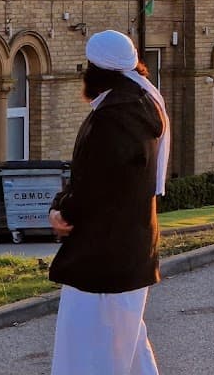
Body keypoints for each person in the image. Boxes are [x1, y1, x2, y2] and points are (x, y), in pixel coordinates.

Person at [48, 29, 170, 375]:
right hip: (128, 250)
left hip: (103, 256)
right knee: (127, 345)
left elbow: (93, 183)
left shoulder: (113, 117)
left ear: (96, 71)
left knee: (92, 352)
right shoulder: (142, 104)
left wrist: (61, 212)